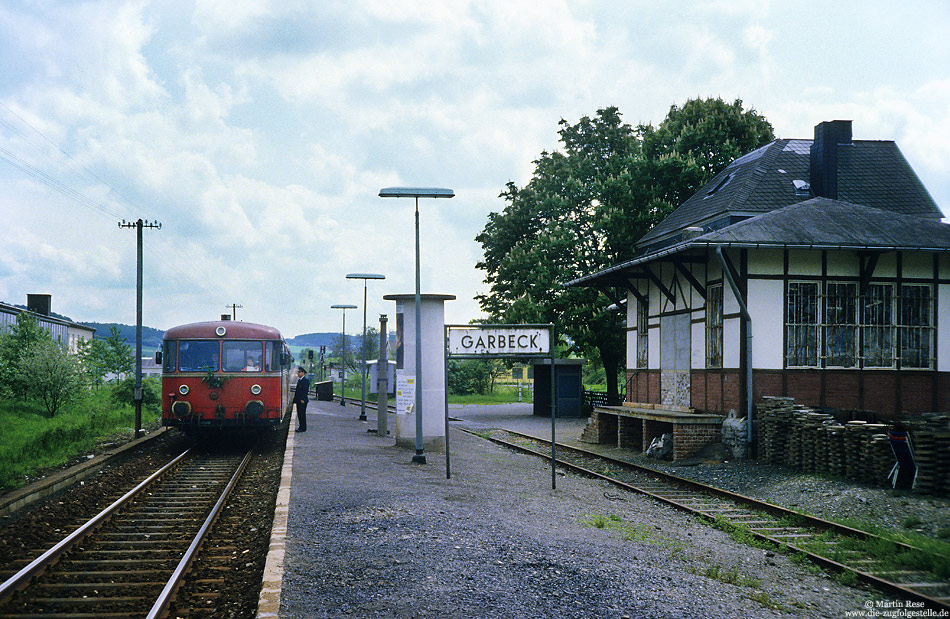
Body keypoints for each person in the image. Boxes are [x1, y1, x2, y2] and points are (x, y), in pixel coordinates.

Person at [293, 366, 310, 432]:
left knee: (302, 414)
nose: (298, 374)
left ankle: (303, 428)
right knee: (299, 414)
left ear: (303, 373)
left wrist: (302, 399)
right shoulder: (300, 380)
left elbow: (305, 391)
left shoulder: (306, 381)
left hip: (302, 401)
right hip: (299, 400)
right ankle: (301, 427)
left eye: (299, 372)